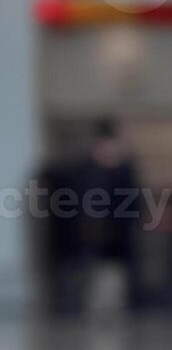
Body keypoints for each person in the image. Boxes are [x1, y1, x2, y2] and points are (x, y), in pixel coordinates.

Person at [47, 119, 142, 315]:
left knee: (112, 277)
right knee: (91, 278)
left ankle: (110, 308)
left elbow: (131, 205)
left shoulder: (122, 171)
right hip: (90, 239)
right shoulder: (84, 171)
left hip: (115, 240)